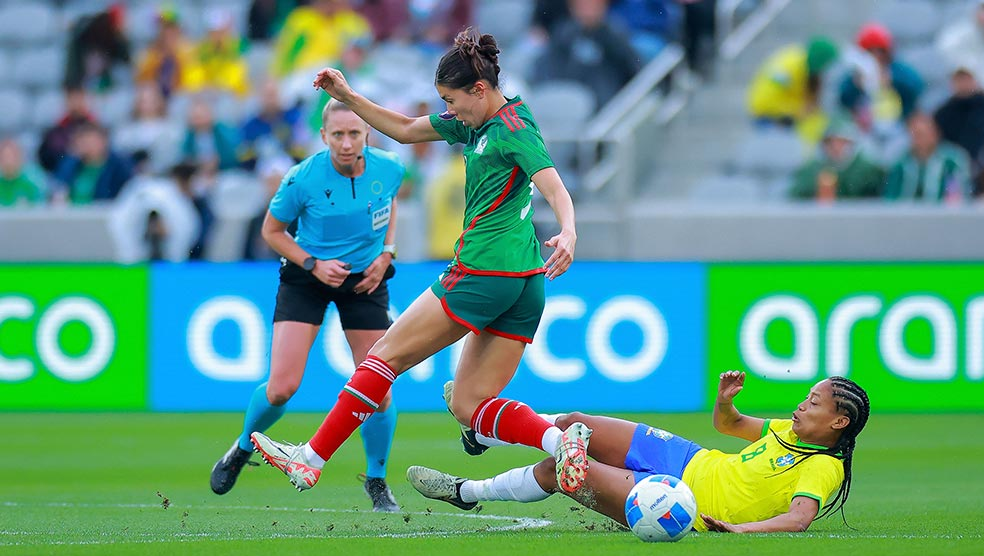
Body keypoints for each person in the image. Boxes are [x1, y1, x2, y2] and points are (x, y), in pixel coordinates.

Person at [249, 28, 588, 497]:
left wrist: (569, 230)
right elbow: (407, 130)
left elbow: (552, 183)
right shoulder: (476, 122)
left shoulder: (513, 129)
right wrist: (346, 95)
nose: (449, 110)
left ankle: (308, 459)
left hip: (485, 271)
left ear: (480, 89)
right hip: (526, 283)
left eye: (453, 99)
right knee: (470, 404)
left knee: (382, 357)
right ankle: (559, 441)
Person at [211, 99, 406, 512]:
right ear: (323, 136)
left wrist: (386, 253)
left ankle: (376, 480)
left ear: (367, 132)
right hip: (308, 276)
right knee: (282, 387)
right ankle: (243, 447)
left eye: (355, 133)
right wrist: (313, 265)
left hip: (364, 279)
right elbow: (272, 230)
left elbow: (389, 207)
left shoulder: (390, 167)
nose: (347, 143)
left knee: (379, 390)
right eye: (338, 134)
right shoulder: (302, 179)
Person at [409, 372, 870, 534]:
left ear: (838, 422)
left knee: (563, 469)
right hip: (688, 457)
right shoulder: (785, 429)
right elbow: (728, 427)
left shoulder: (824, 467)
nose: (802, 404)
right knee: (575, 423)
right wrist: (725, 402)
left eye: (814, 402)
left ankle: (465, 491)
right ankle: (481, 431)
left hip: (675, 498)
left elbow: (798, 519)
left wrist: (739, 530)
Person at [789, 118, 885, 201]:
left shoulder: (867, 169)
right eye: (830, 142)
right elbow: (796, 198)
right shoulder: (812, 169)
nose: (836, 147)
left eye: (841, 142)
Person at [884, 112, 971, 203]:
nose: (919, 140)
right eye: (915, 135)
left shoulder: (952, 161)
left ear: (935, 134)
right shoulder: (899, 164)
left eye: (922, 134)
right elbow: (890, 199)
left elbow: (961, 196)